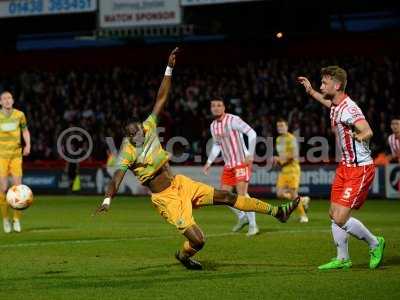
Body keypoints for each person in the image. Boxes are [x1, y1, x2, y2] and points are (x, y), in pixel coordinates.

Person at [95, 48, 300, 270]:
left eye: (142, 134)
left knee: (228, 196)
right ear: (129, 138)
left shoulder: (148, 126)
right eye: (136, 137)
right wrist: (107, 199)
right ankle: (184, 256)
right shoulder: (127, 152)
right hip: (166, 199)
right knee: (199, 240)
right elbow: (117, 176)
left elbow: (161, 98)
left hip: (181, 184)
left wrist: (169, 68)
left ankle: (277, 212)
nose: (141, 138)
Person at [298, 66, 385, 270]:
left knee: (340, 217)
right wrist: (311, 91)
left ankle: (375, 242)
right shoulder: (336, 104)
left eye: (324, 83)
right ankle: (343, 258)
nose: (321, 85)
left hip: (359, 169)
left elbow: (368, 130)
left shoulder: (350, 108)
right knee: (333, 214)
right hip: (344, 167)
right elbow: (328, 102)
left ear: (337, 85)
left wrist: (360, 136)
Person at [203, 97, 259, 236]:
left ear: (224, 107)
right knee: (223, 196)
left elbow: (252, 133)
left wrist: (250, 155)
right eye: (213, 106)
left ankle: (253, 225)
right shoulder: (213, 126)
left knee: (242, 194)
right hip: (229, 165)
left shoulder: (233, 120)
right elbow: (217, 145)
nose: (216, 108)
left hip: (241, 162)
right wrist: (209, 162)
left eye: (219, 105)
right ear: (211, 109)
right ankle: (242, 217)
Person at [0, 91, 31, 233]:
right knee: (3, 188)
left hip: (16, 156)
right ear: (0, 102)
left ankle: (16, 219)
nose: (7, 100)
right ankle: (5, 219)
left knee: (18, 189)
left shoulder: (20, 115)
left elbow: (25, 131)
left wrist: (28, 145)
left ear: (12, 101)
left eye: (9, 98)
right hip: (1, 156)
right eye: (4, 99)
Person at [273, 118, 310, 223]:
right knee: (279, 194)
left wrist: (280, 160)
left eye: (282, 126)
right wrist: (278, 160)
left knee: (293, 194)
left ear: (287, 127)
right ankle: (302, 200)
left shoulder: (291, 138)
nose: (280, 128)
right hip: (284, 170)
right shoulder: (278, 139)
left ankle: (303, 216)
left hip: (293, 169)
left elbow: (294, 155)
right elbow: (282, 156)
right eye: (278, 126)